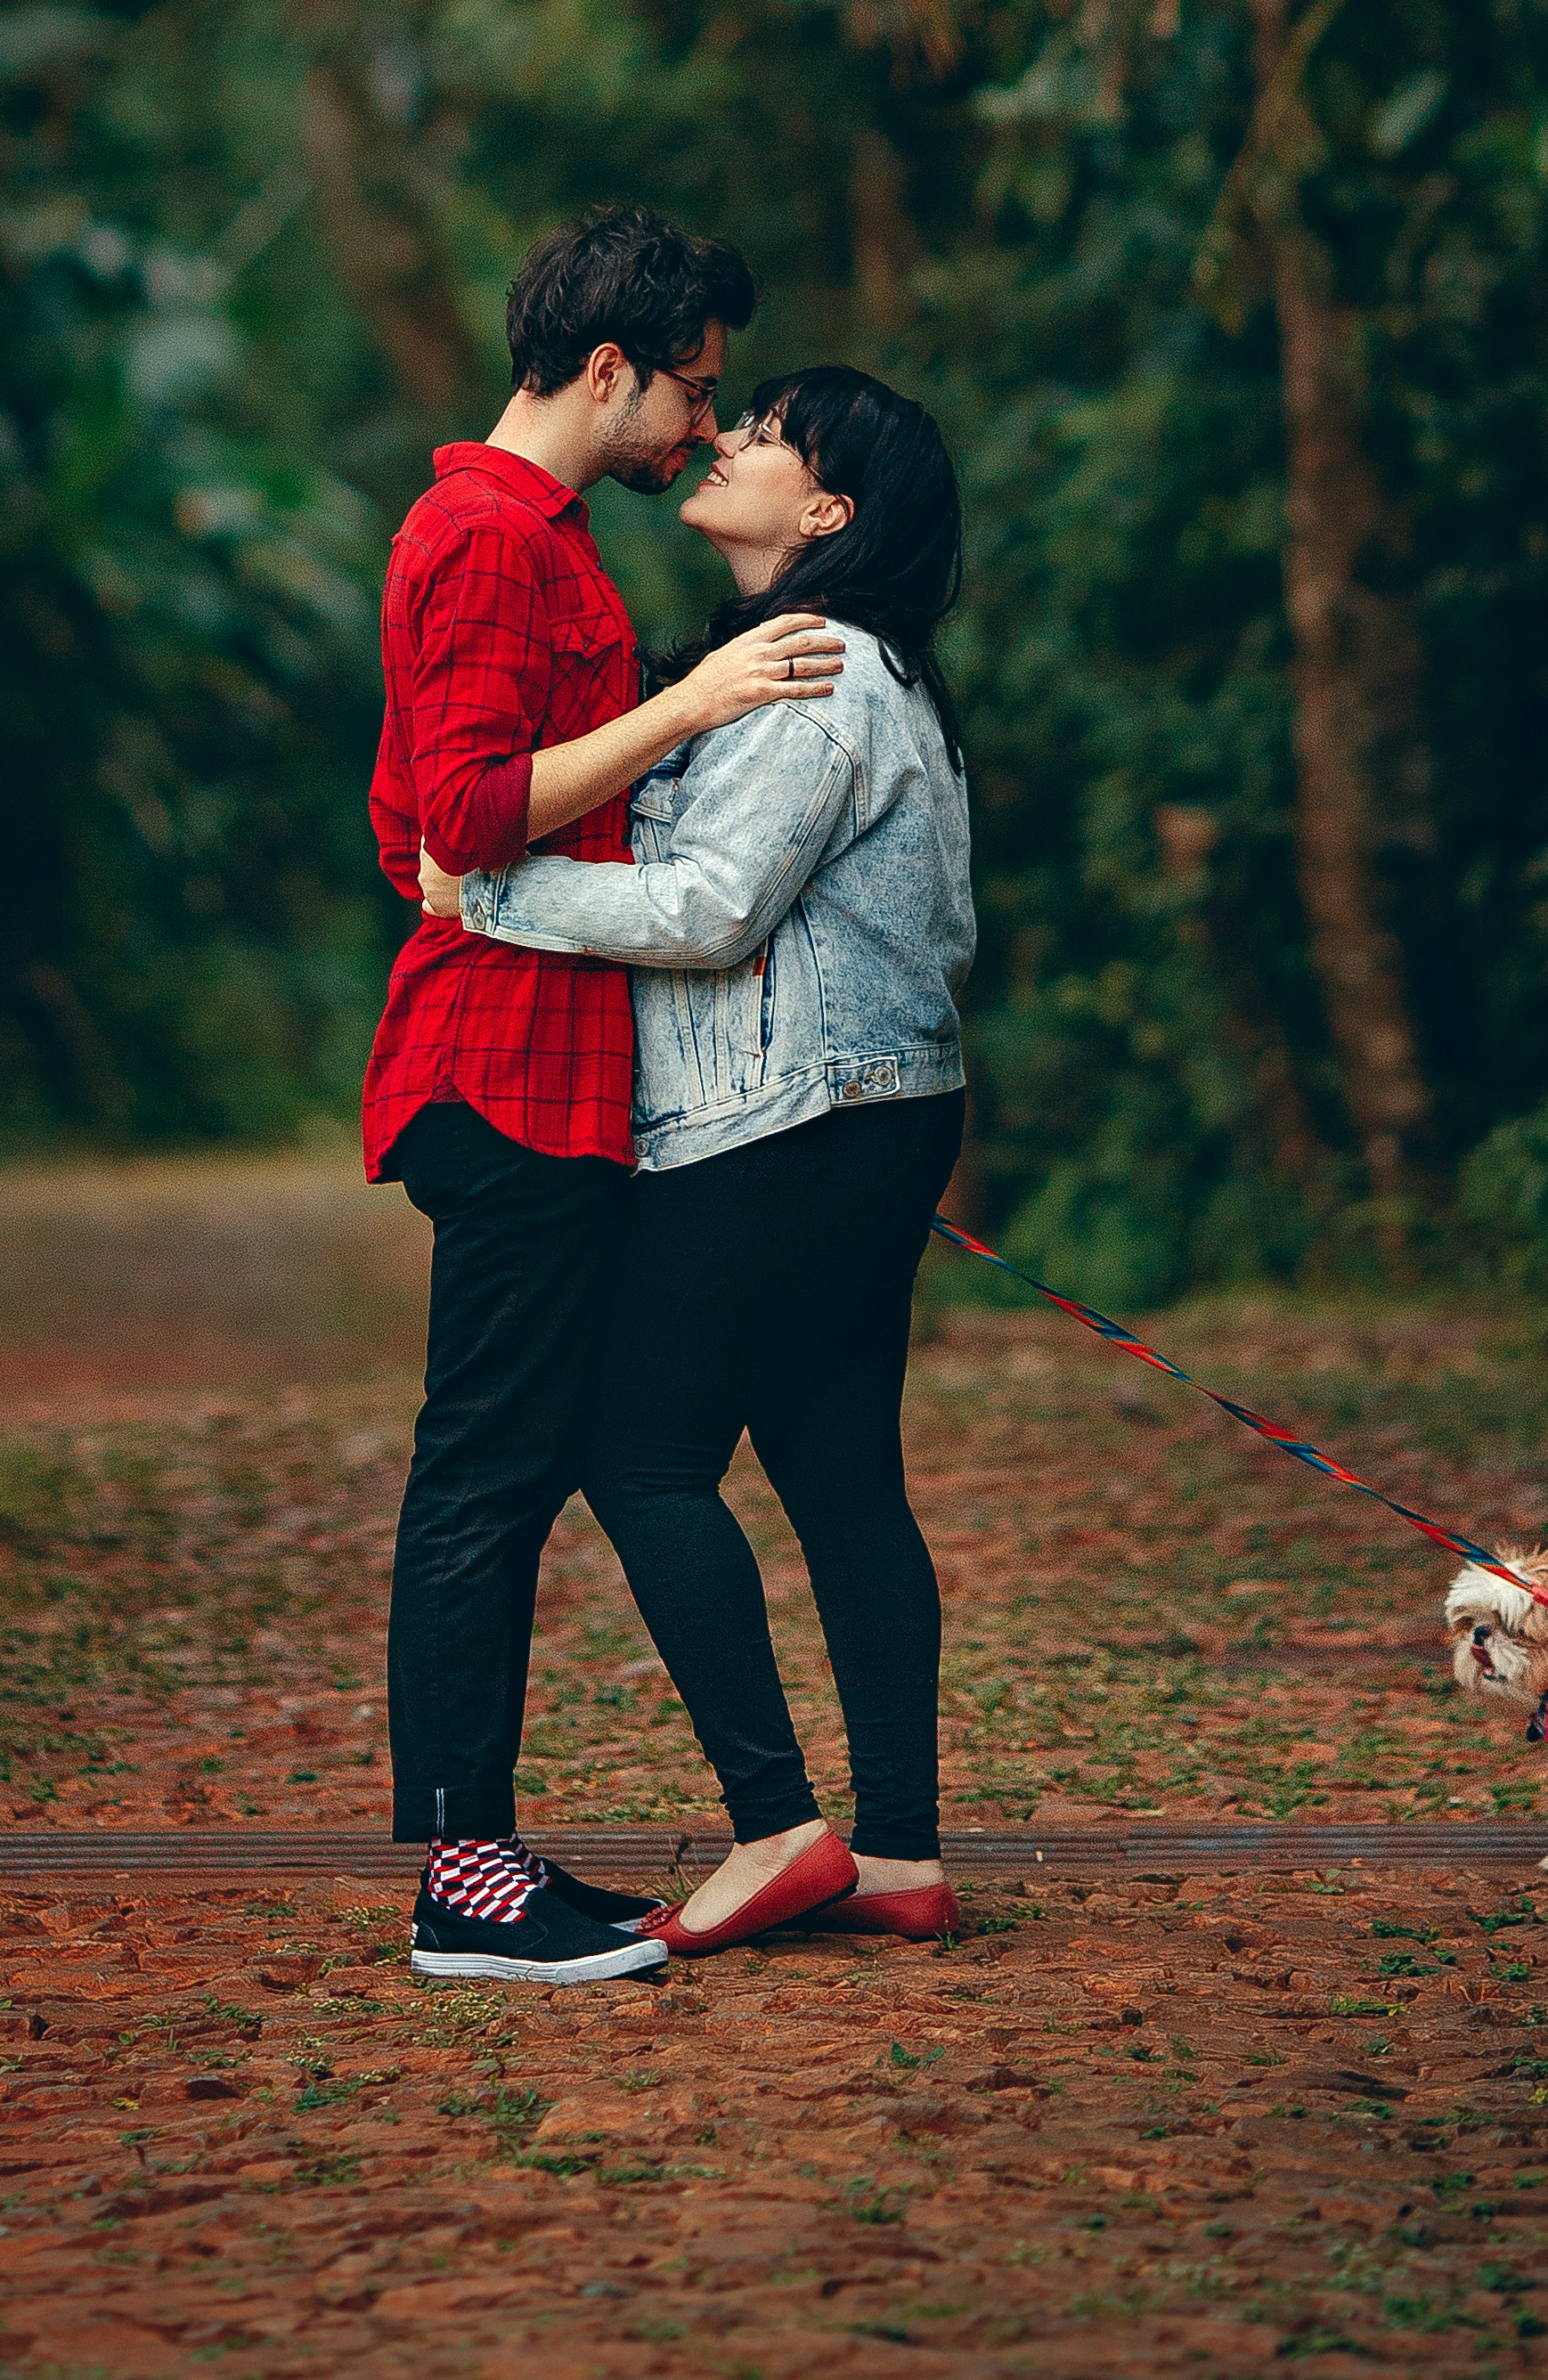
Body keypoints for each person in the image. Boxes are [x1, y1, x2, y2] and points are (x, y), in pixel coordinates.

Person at [421, 363, 973, 1956]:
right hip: (860, 1118)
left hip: (780, 1130)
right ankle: (901, 1856)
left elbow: (705, 909)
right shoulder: (851, 671)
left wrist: (484, 897)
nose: (720, 439)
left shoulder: (813, 669)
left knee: (635, 1452)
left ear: (825, 513)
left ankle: (779, 1828)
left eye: (762, 430)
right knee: (837, 1472)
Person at [365, 205, 852, 1986]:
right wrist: (698, 696)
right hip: (501, 1069)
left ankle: (482, 1854)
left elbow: (405, 814)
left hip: (543, 1071)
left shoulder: (518, 532)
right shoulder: (491, 539)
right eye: (692, 392)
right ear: (605, 368)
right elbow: (469, 816)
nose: (699, 429)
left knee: (516, 1456)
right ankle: (460, 1877)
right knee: (485, 1468)